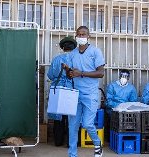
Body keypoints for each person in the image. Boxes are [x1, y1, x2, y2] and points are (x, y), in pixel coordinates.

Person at [64, 26, 105, 157]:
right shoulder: (73, 54)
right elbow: (70, 75)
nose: (80, 37)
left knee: (87, 124)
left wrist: (81, 73)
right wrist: (67, 70)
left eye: (83, 34)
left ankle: (97, 143)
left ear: (88, 36)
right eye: (78, 34)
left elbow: (101, 73)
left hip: (90, 93)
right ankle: (72, 154)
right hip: (75, 94)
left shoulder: (95, 52)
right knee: (73, 126)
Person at [47, 37, 77, 147]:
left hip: (58, 88)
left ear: (62, 48)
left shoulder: (56, 59)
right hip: (71, 88)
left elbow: (50, 75)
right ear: (74, 48)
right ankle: (71, 143)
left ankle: (58, 142)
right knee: (72, 116)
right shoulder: (76, 60)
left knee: (58, 117)